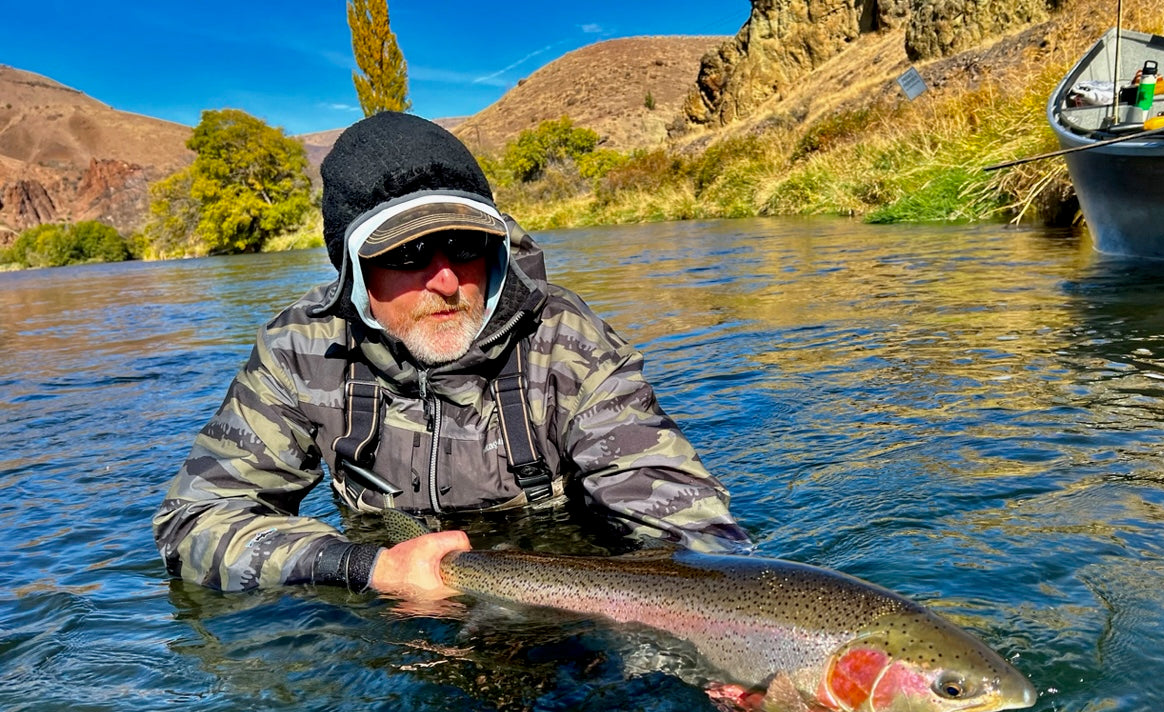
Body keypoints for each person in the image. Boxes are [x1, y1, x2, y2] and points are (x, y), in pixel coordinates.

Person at [154, 111, 750, 606]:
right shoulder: (301, 352)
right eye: (408, 252)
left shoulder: (569, 341)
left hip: (562, 603)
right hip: (384, 601)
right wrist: (365, 567)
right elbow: (195, 522)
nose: (445, 278)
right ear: (355, 271)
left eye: (465, 245)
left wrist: (734, 633)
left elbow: (684, 522)